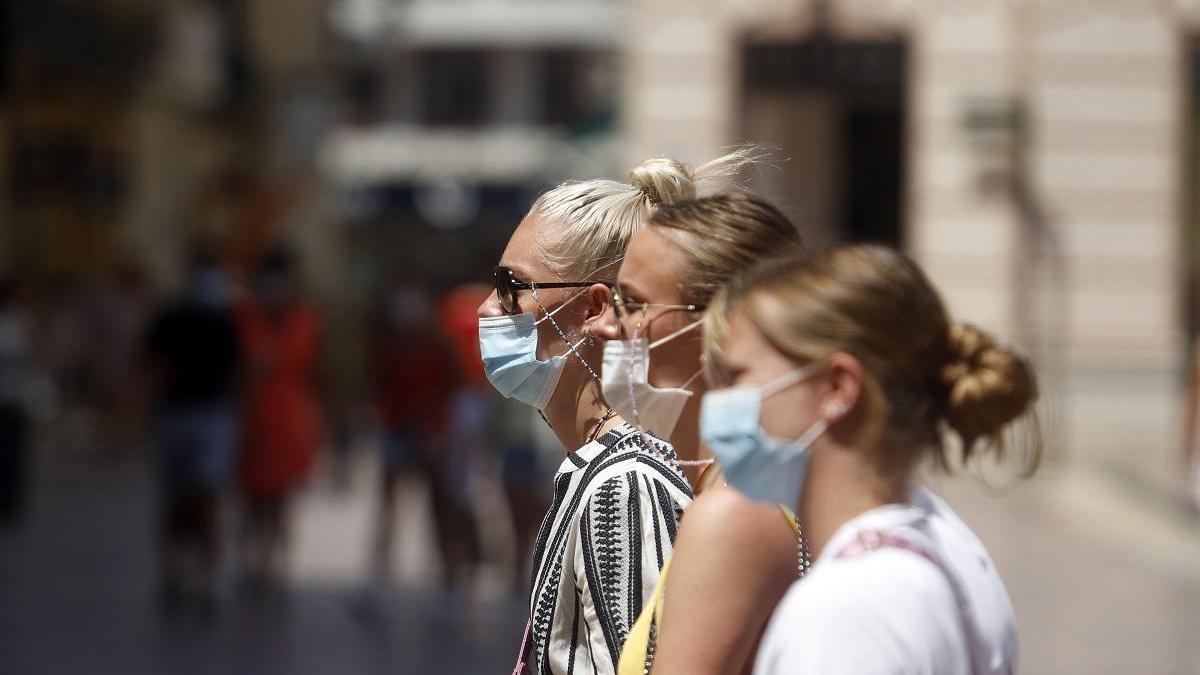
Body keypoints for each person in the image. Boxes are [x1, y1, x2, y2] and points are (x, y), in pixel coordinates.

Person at [704, 245, 1038, 675]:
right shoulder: (941, 550)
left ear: (838, 388)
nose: (719, 401)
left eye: (737, 377)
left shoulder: (843, 611)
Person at [479, 153, 748, 675]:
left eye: (511, 287)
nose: (488, 307)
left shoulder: (624, 483)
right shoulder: (599, 468)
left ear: (594, 309)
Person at [600, 194, 808, 674]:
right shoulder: (737, 495)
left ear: (722, 323)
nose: (608, 325)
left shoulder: (733, 514)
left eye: (633, 303)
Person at [144, 251, 241, 615]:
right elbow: (150, 363)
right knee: (176, 499)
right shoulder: (171, 319)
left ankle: (209, 577)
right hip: (175, 415)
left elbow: (238, 370)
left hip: (213, 416)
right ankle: (173, 570)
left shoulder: (227, 323)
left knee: (208, 495)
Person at [236, 246, 323, 593]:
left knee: (281, 498)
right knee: (253, 497)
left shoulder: (306, 319)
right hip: (251, 418)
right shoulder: (243, 317)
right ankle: (251, 562)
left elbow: (319, 372)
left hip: (290, 420)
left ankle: (275, 565)